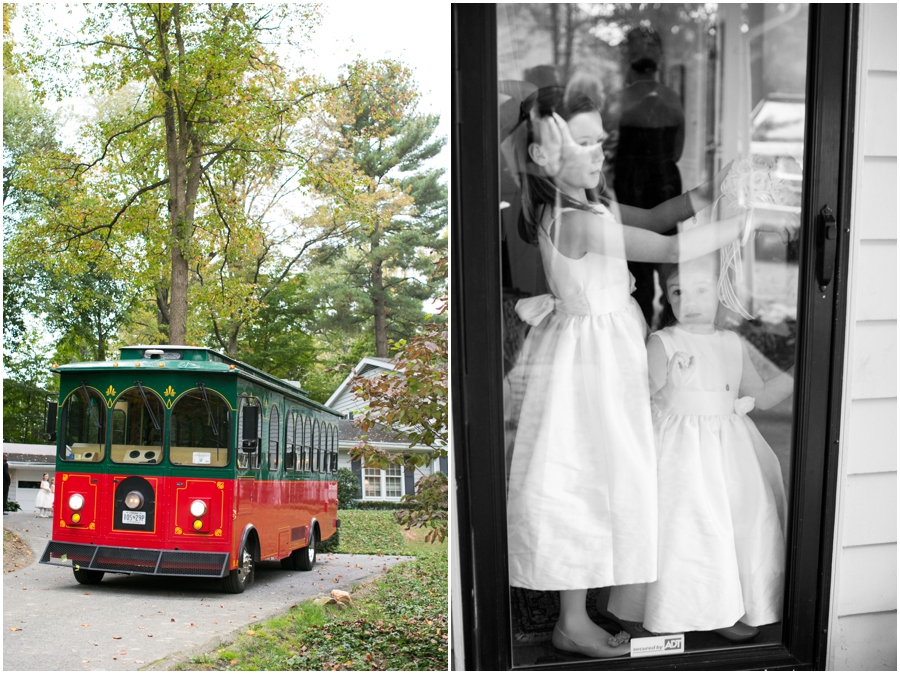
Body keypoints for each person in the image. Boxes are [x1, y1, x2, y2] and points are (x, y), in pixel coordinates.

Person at [503, 86, 790, 659]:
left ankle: (601, 603)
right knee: (581, 477)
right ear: (541, 158)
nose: (597, 152)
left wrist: (712, 192)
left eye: (599, 141)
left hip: (608, 351)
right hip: (588, 365)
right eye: (581, 142)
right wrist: (740, 221)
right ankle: (572, 621)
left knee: (607, 476)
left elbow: (662, 214)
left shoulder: (592, 204)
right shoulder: (571, 219)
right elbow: (663, 247)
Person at [608, 254, 793, 640]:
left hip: (729, 448)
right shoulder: (663, 341)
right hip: (680, 451)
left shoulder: (732, 342)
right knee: (687, 526)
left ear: (721, 295)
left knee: (735, 520)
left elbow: (760, 395)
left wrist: (801, 369)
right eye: (677, 291)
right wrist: (670, 385)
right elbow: (640, 401)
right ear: (667, 297)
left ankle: (730, 603)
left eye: (701, 290)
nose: (689, 300)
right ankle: (680, 606)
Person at [602, 26, 686, 325]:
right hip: (663, 181)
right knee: (666, 262)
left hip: (632, 184)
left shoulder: (618, 100)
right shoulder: (672, 99)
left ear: (628, 61)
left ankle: (644, 331)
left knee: (638, 262)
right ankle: (668, 327)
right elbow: (677, 150)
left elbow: (604, 146)